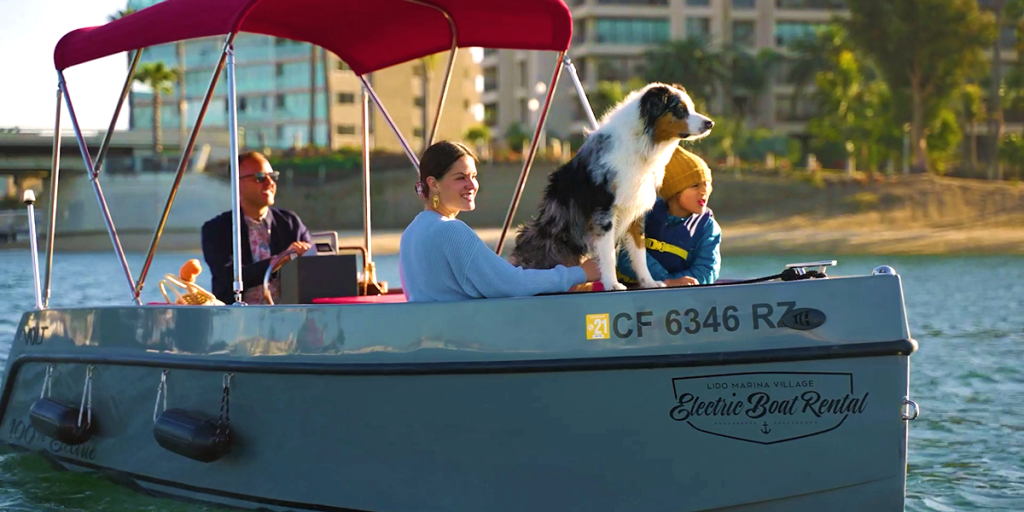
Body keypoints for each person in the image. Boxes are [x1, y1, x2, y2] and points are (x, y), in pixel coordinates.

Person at [399, 141, 600, 302]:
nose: (472, 185)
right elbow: (513, 284)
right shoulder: (450, 231)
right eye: (461, 178)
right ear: (433, 184)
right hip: (467, 344)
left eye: (474, 176)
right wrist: (581, 273)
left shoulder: (411, 233)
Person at [202, 151, 311, 304]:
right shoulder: (216, 230)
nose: (269, 183)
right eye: (260, 177)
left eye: (272, 176)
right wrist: (280, 260)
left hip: (291, 319)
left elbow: (315, 268)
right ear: (236, 183)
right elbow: (228, 277)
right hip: (238, 321)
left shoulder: (290, 222)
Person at [616, 146, 721, 286]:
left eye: (707, 185)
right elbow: (624, 255)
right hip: (633, 290)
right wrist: (666, 281)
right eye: (695, 185)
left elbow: (706, 272)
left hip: (680, 297)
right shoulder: (643, 211)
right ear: (675, 192)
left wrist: (673, 283)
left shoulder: (708, 228)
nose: (704, 191)